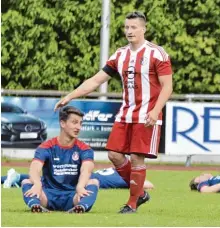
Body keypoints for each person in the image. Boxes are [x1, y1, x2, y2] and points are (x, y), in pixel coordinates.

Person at [54, 11, 173, 213]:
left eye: (134, 27)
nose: (129, 31)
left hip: (147, 115)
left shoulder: (157, 53)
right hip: (125, 113)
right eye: (126, 27)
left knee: (136, 158)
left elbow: (167, 86)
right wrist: (70, 95)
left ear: (144, 29)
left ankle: (132, 203)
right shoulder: (120, 54)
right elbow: (96, 80)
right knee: (114, 155)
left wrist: (155, 110)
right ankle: (140, 192)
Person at [21, 106, 99, 213]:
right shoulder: (46, 146)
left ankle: (80, 207)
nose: (78, 127)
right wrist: (37, 184)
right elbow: (34, 169)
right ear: (63, 123)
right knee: (27, 181)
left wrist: (80, 187)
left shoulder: (85, 149)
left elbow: (86, 170)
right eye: (74, 122)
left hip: (73, 197)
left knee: (93, 182)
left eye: (80, 123)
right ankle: (36, 206)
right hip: (47, 196)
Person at [3, 168, 155, 190]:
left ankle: (14, 177)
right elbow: (149, 185)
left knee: (47, 180)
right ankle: (15, 177)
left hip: (85, 176)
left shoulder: (115, 169)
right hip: (85, 179)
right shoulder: (123, 178)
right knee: (46, 182)